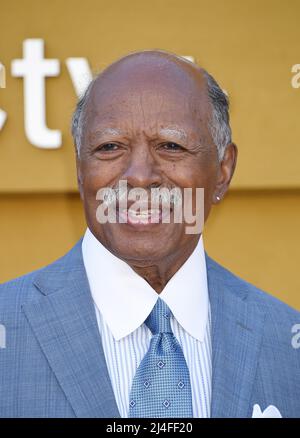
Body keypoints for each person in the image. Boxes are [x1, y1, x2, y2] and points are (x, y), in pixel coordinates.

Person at [0, 50, 299, 418]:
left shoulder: (287, 341)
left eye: (171, 146)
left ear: (223, 170)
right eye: (109, 147)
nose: (140, 176)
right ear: (80, 168)